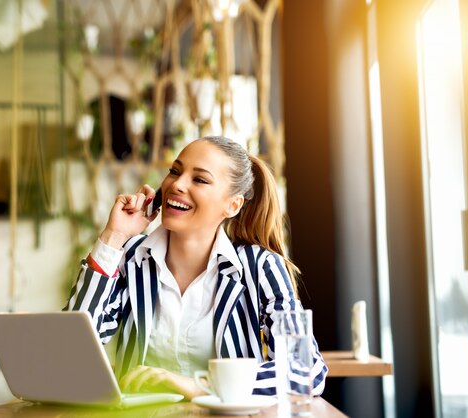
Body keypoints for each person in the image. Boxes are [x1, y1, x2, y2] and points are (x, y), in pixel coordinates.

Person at [65, 136, 328, 399]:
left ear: (232, 205)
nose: (176, 184)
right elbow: (72, 352)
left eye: (199, 179)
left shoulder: (259, 266)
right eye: (174, 171)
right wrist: (114, 236)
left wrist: (200, 386)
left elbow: (305, 369)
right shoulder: (131, 257)